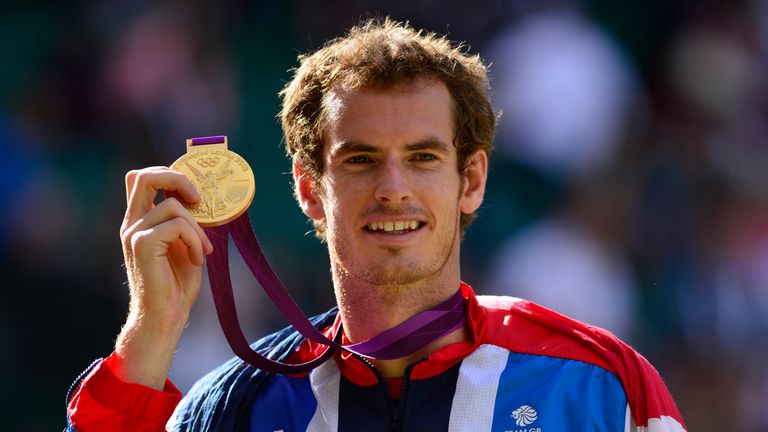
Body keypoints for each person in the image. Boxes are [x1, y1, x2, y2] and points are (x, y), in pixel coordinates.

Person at [65, 18, 686, 431]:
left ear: (471, 181)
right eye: (360, 160)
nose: (394, 189)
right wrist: (152, 329)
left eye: (423, 158)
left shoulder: (599, 387)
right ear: (310, 191)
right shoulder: (238, 408)